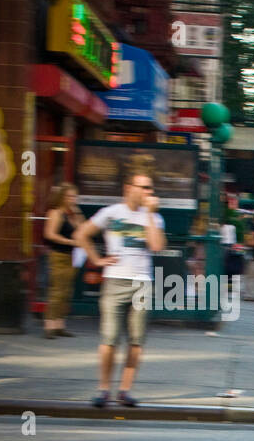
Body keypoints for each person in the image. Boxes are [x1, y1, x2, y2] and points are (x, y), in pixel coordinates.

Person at [73, 173, 166, 408]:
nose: (148, 192)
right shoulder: (111, 212)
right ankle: (103, 389)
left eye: (150, 188)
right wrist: (97, 259)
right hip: (115, 281)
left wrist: (151, 215)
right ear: (129, 188)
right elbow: (81, 234)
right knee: (109, 338)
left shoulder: (154, 217)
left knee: (136, 341)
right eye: (144, 187)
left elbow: (156, 246)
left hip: (142, 282)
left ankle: (125, 390)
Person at [42, 183, 83, 338]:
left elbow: (82, 229)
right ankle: (49, 326)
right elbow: (50, 234)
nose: (73, 199)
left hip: (72, 256)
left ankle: (59, 324)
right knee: (57, 291)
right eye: (70, 196)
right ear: (62, 197)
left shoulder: (72, 214)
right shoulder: (56, 213)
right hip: (58, 255)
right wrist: (69, 242)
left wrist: (77, 214)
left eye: (74, 196)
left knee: (66, 291)